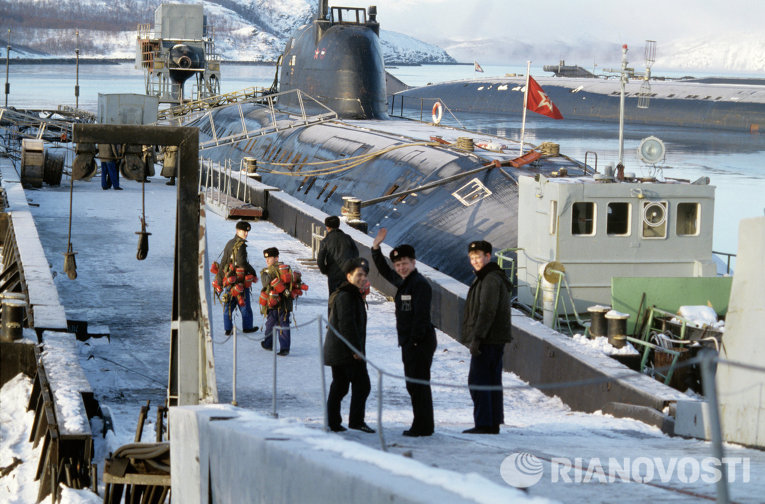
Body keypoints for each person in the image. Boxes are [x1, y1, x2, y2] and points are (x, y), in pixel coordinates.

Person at [371, 228, 436, 437]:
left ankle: (423, 426)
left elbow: (421, 317)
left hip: (419, 342)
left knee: (418, 384)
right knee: (413, 384)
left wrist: (414, 342)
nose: (401, 268)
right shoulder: (405, 281)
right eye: (398, 265)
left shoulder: (419, 285)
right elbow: (384, 271)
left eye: (404, 264)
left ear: (413, 263)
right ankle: (423, 423)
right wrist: (375, 248)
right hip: (410, 341)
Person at [461, 240, 513, 434]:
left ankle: (484, 423)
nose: (474, 261)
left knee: (478, 382)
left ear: (488, 257)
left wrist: (477, 339)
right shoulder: (488, 276)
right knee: (491, 381)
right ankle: (492, 422)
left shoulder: (489, 279)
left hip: (488, 340)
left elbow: (487, 311)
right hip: (494, 339)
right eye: (472, 258)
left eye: (478, 257)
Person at [323, 257, 374, 434]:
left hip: (340, 350)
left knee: (340, 385)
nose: (362, 278)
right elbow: (347, 324)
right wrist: (355, 349)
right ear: (349, 275)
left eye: (364, 275)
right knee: (361, 385)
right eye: (358, 275)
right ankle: (354, 421)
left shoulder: (350, 293)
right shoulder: (347, 295)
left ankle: (333, 421)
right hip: (345, 351)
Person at [215, 221, 258, 336]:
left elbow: (223, 262)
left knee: (228, 304)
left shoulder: (229, 243)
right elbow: (242, 263)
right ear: (237, 231)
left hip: (229, 280)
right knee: (244, 304)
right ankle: (247, 327)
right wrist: (253, 273)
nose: (246, 234)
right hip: (240, 281)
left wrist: (219, 280)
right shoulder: (241, 246)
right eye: (244, 231)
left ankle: (228, 329)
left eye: (247, 232)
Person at [260, 247, 292, 356]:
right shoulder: (286, 269)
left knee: (273, 324)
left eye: (269, 258)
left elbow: (265, 284)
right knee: (282, 324)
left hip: (275, 304)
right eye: (266, 258)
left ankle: (269, 344)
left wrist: (265, 273)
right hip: (284, 303)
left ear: (277, 258)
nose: (267, 260)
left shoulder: (269, 271)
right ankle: (283, 347)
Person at [317, 216, 359, 295]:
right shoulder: (348, 238)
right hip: (348, 274)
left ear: (327, 227)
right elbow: (356, 254)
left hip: (333, 275)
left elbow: (320, 260)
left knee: (334, 297)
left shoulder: (326, 241)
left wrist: (325, 271)